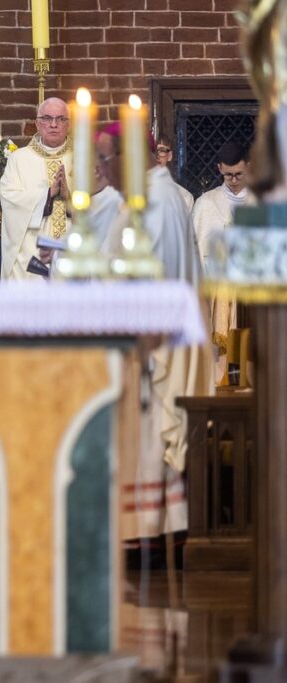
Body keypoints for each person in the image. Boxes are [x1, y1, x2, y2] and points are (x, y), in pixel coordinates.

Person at [95, 120, 212, 549]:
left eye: (106, 159)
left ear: (130, 157)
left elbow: (151, 280)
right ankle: (145, 527)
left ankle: (149, 530)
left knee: (148, 433)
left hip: (155, 344)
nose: (102, 170)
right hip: (141, 339)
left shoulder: (158, 200)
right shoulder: (142, 197)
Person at [191, 141, 250, 379]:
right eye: (228, 175)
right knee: (223, 367)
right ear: (219, 169)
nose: (233, 180)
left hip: (251, 295)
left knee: (249, 360)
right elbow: (194, 251)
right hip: (216, 297)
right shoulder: (205, 203)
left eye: (239, 174)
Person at [0, 97, 73, 279]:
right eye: (47, 119)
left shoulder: (84, 158)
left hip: (74, 250)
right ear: (37, 124)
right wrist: (47, 195)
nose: (54, 124)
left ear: (68, 124)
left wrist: (69, 197)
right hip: (31, 254)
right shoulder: (19, 159)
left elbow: (98, 204)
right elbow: (9, 199)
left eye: (60, 119)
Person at [154, 135, 194, 212]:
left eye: (162, 150)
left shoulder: (184, 198)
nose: (157, 155)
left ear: (169, 156)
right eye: (153, 150)